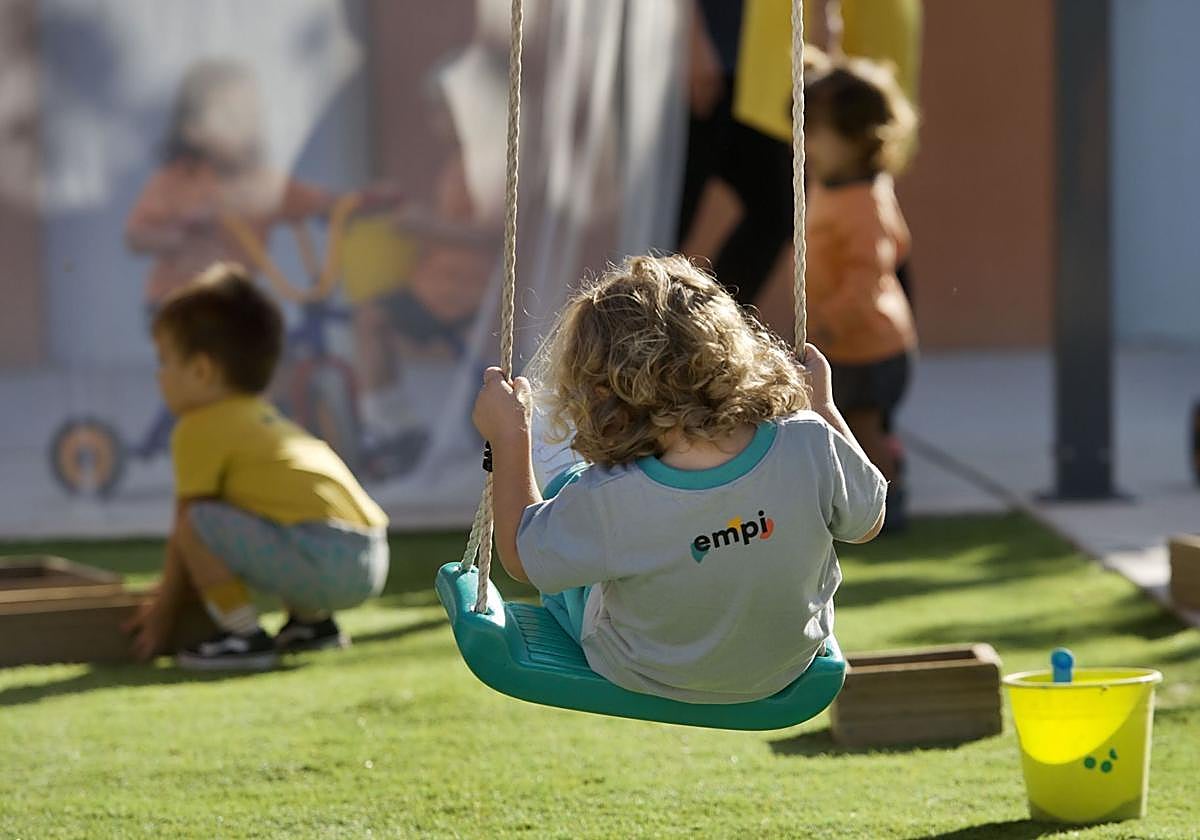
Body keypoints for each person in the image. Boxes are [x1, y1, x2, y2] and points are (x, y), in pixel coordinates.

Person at [471, 255, 885, 703]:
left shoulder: (611, 494)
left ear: (602, 389)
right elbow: (868, 522)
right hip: (784, 665)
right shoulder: (807, 441)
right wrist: (822, 407)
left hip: (644, 668)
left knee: (566, 495)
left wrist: (511, 436)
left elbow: (520, 560)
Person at [123, 263, 390, 670]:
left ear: (201, 370)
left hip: (325, 560)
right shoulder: (261, 416)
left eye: (164, 361)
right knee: (268, 508)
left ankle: (242, 635)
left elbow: (186, 527)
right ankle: (311, 624)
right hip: (371, 553)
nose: (159, 376)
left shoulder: (199, 426)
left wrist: (164, 608)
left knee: (198, 520)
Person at [757, 57, 918, 531]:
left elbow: (868, 276)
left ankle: (887, 506)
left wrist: (829, 318)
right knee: (851, 424)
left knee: (860, 432)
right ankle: (881, 477)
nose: (801, 143)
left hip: (867, 343)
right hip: (850, 341)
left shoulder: (864, 201)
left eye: (815, 133)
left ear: (857, 138)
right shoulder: (835, 184)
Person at [125, 59, 334, 313]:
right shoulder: (176, 180)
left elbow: (321, 203)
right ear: (192, 130)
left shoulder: (263, 184)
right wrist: (180, 234)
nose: (245, 127)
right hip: (177, 302)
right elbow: (136, 237)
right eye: (230, 118)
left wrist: (364, 202)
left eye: (250, 116)